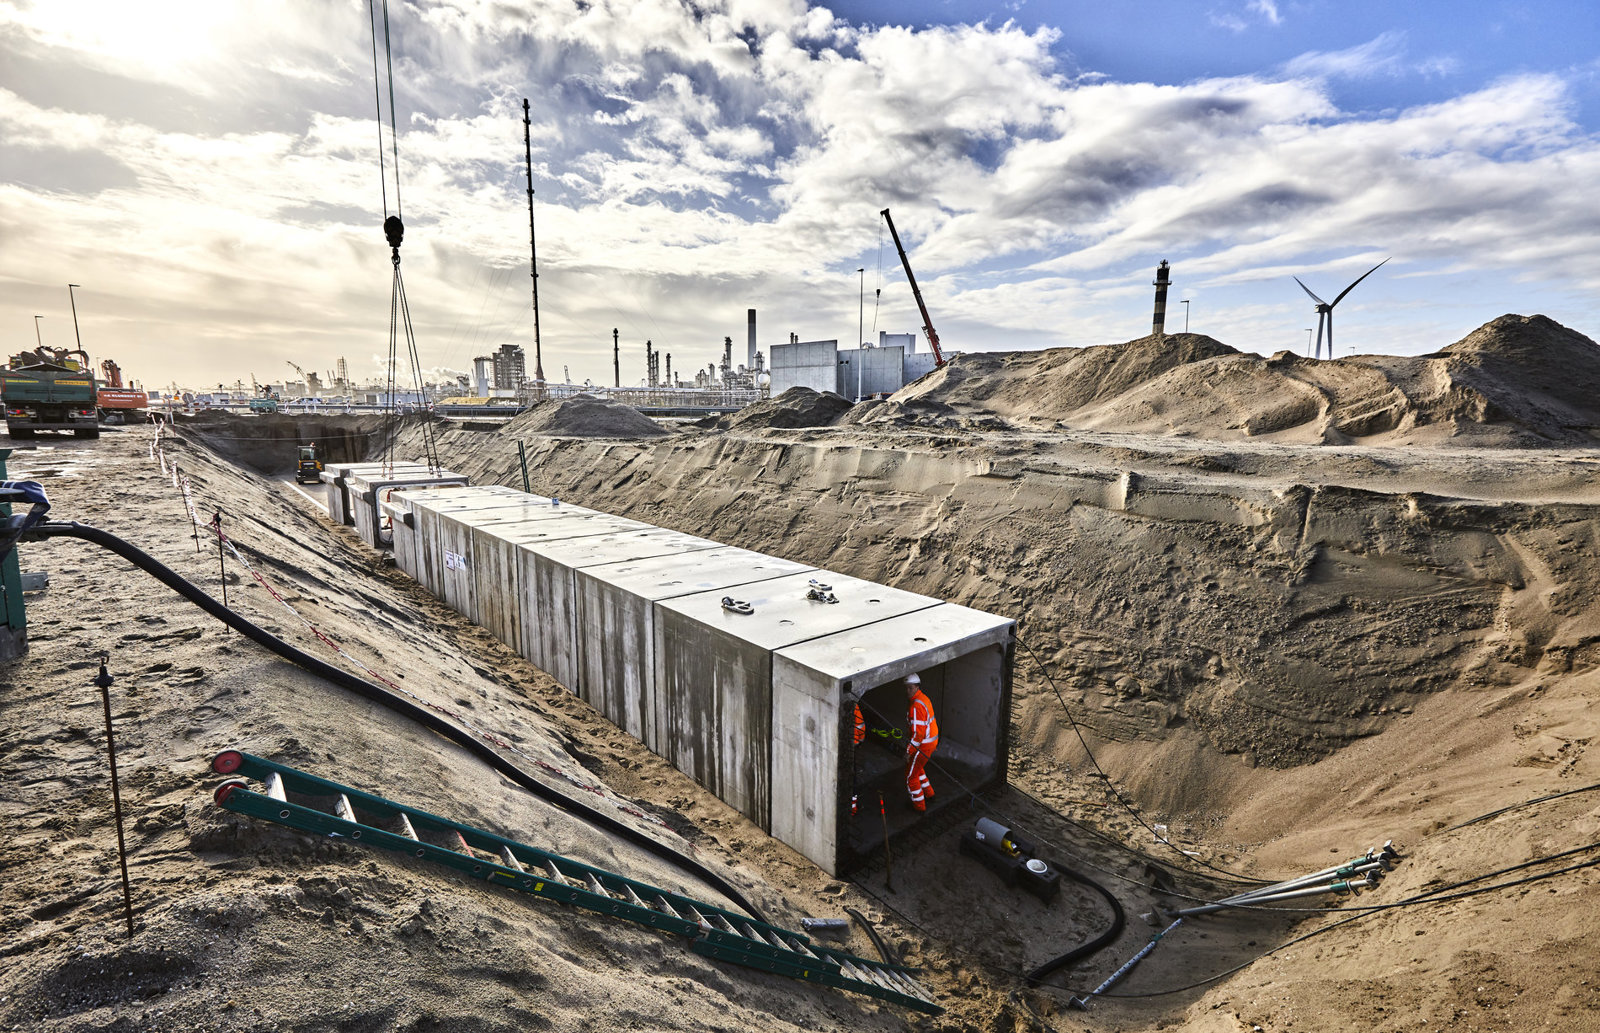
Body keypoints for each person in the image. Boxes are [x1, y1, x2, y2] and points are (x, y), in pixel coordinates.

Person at [904, 672, 938, 811]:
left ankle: (919, 807)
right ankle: (930, 794)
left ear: (917, 687)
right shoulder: (924, 699)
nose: (907, 691)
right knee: (918, 768)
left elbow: (918, 734)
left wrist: (908, 751)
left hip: (923, 746)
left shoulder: (916, 707)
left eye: (910, 688)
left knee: (910, 777)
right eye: (906, 687)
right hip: (930, 743)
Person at [851, 702, 865, 816]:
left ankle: (851, 808)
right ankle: (853, 809)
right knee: (853, 776)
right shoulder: (855, 706)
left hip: (842, 746)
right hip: (853, 745)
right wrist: (860, 740)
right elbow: (860, 725)